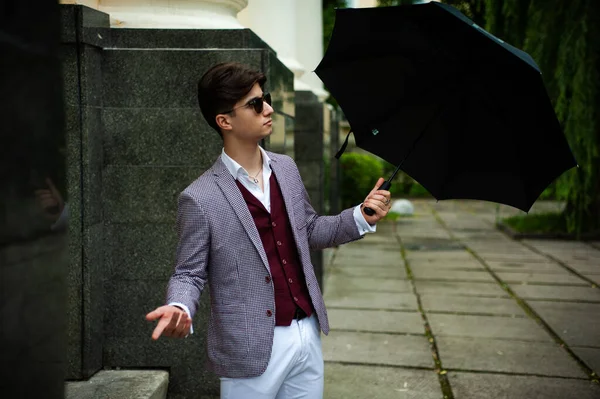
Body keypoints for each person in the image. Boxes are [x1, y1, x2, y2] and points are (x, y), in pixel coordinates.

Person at [145, 62, 391, 399]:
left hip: (306, 332)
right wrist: (180, 306)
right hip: (250, 346)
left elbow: (309, 230)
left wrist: (361, 216)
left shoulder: (286, 169)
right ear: (225, 121)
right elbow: (189, 272)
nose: (269, 109)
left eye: (266, 99)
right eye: (255, 104)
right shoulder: (200, 197)